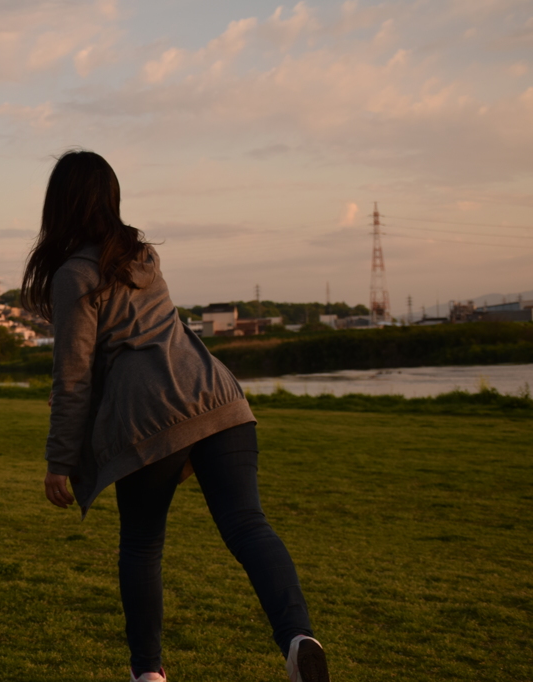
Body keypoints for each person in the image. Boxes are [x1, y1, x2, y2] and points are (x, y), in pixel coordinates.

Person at [21, 151, 329, 682]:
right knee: (248, 525)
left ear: (59, 205)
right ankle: (299, 637)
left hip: (150, 416)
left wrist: (59, 459)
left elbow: (72, 376)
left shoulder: (75, 273)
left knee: (141, 545)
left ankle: (149, 674)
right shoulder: (141, 256)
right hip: (219, 399)